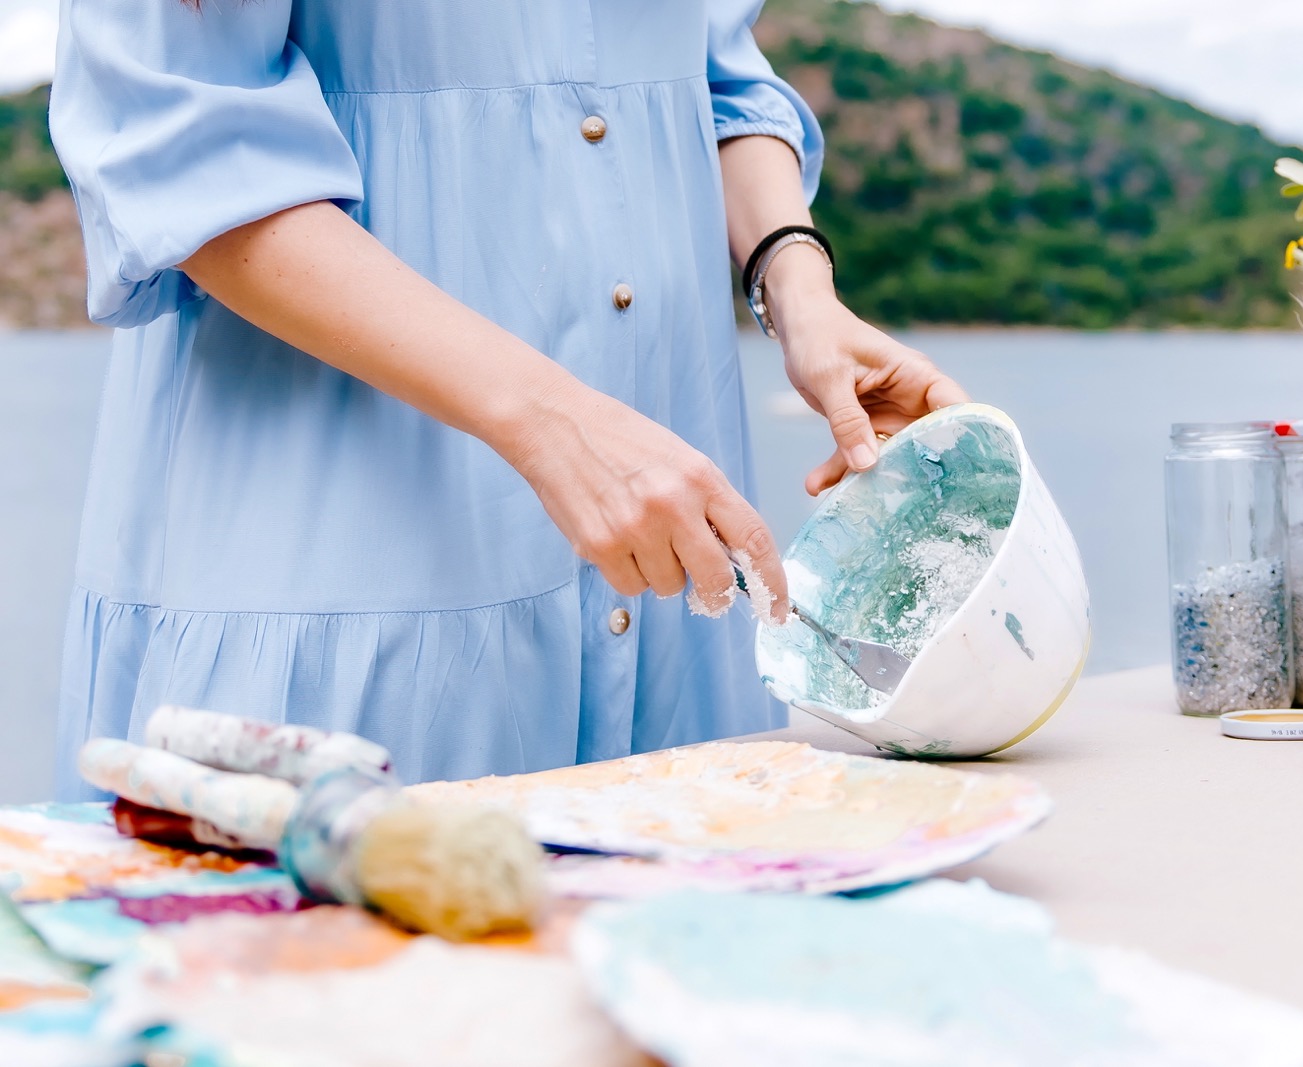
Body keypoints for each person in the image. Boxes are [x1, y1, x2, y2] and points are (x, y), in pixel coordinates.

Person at [46, 0, 967, 798]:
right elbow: (184, 154)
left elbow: (719, 76)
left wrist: (794, 281)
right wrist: (553, 421)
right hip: (340, 581)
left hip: (675, 604)